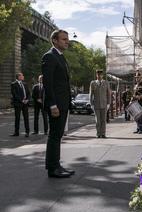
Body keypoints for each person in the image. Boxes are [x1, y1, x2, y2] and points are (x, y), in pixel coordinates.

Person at [42, 29, 74, 178]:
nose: (67, 41)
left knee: (58, 135)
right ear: (55, 40)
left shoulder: (60, 57)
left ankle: (56, 165)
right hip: (56, 105)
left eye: (67, 39)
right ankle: (52, 169)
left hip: (63, 103)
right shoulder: (49, 56)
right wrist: (52, 105)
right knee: (54, 135)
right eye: (64, 39)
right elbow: (48, 84)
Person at [89, 70, 111, 138]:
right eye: (98, 75)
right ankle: (98, 134)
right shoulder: (93, 83)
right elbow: (91, 94)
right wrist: (91, 104)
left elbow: (108, 93)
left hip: (104, 104)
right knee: (97, 121)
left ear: (102, 75)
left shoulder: (106, 82)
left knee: (103, 120)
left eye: (100, 75)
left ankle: (103, 133)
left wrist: (108, 103)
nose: (99, 76)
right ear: (96, 75)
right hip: (96, 105)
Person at [10, 72, 30, 137]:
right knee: (17, 118)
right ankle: (16, 132)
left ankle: (27, 132)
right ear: (18, 77)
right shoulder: (13, 84)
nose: (23, 76)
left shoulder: (25, 84)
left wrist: (27, 99)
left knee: (26, 118)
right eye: (22, 75)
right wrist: (22, 100)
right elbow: (15, 94)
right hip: (18, 103)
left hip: (25, 104)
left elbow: (28, 93)